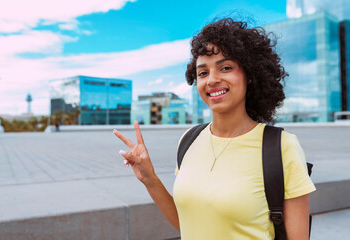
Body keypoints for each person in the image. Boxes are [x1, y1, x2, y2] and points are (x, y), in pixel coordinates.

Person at [113, 18, 316, 240]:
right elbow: (188, 224)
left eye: (226, 67)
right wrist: (149, 178)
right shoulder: (189, 140)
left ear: (249, 74)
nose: (212, 80)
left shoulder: (282, 147)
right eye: (202, 73)